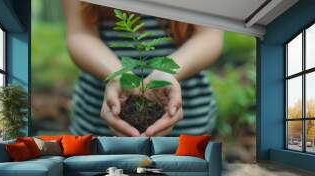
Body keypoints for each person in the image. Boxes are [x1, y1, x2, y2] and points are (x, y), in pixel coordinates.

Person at [63, 0, 223, 137]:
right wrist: (118, 76)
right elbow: (79, 33)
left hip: (188, 117)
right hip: (98, 119)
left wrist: (166, 72)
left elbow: (210, 35)